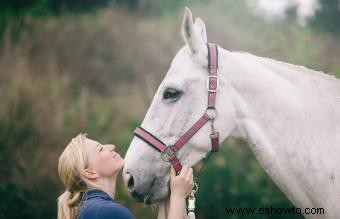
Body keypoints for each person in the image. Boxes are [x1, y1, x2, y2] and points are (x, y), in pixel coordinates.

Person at [57, 133, 194, 219]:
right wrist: (178, 195)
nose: (111, 146)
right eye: (100, 149)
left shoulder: (91, 210)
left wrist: (170, 196)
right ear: (90, 173)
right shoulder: (106, 212)